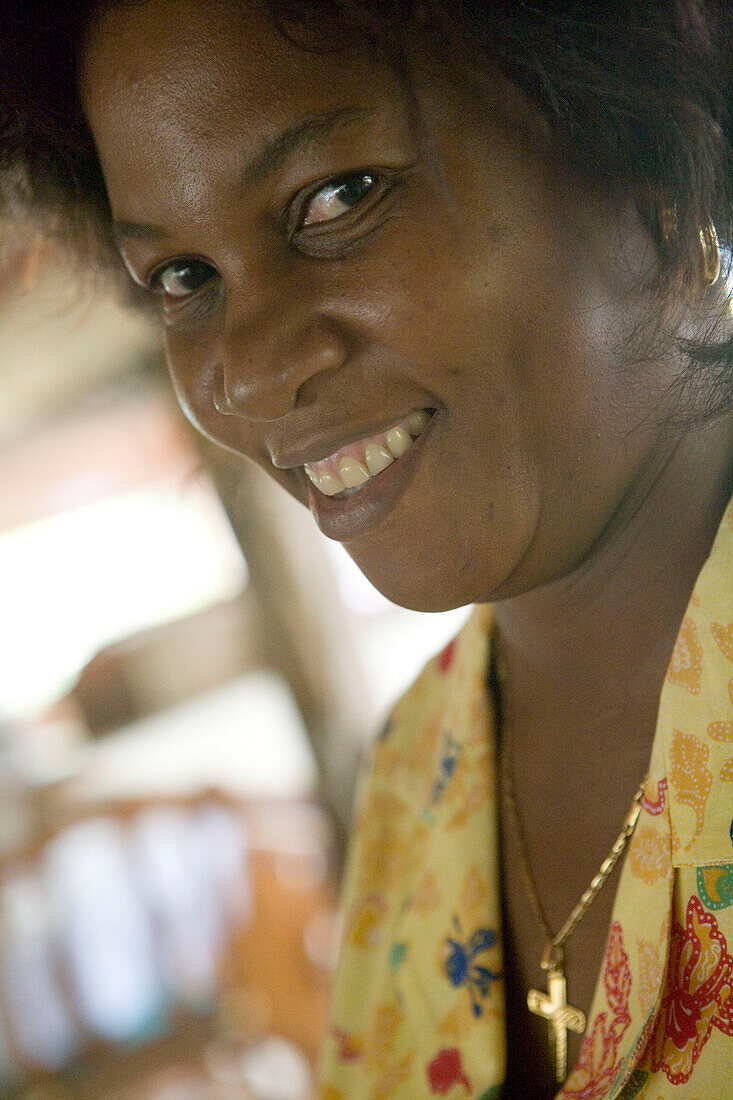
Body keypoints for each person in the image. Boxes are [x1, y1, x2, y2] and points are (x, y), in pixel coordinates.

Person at [2, 2, 732, 1096]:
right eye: (183, 279)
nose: (243, 374)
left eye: (338, 197)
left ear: (645, 153)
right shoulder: (415, 781)